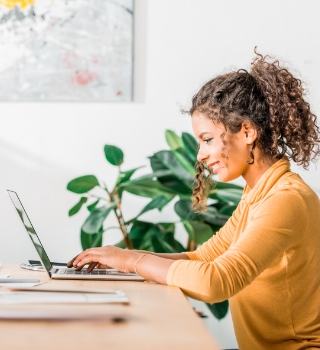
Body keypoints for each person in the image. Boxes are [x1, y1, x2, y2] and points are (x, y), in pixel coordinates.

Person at [68, 50, 320, 350]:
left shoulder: (285, 199)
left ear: (248, 132)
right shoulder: (258, 194)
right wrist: (119, 261)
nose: (200, 155)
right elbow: (203, 258)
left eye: (207, 139)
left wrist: (132, 261)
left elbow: (216, 281)